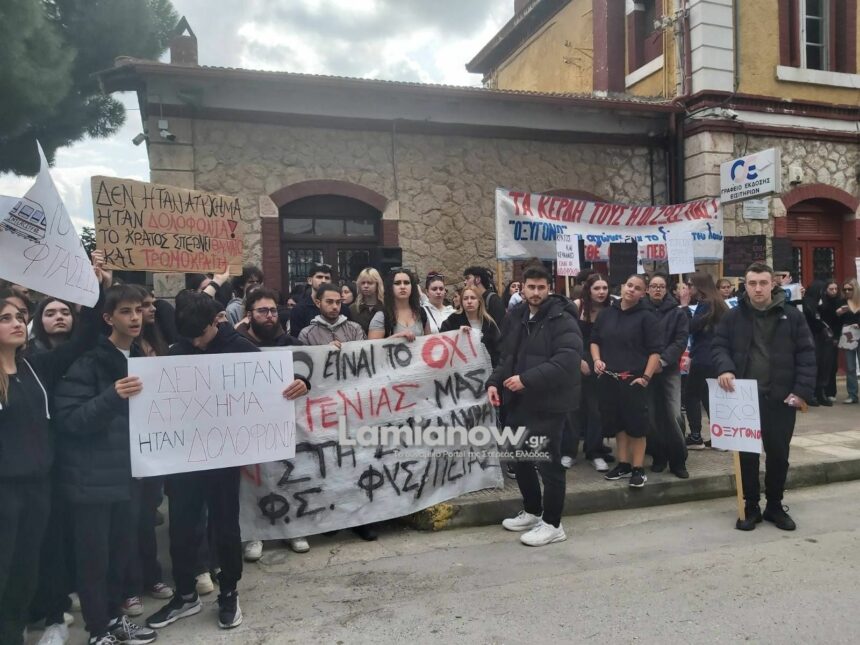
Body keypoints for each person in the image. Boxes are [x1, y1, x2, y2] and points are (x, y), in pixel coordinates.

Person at [147, 292, 309, 631]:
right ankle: (185, 593)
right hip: (184, 459)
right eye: (189, 336)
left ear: (216, 321)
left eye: (200, 335)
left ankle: (229, 591)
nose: (195, 342)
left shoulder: (240, 349)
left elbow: (278, 377)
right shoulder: (177, 351)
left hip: (223, 460)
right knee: (181, 526)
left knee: (225, 525)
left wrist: (301, 382)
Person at [53, 285, 157, 645]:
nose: (134, 318)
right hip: (92, 480)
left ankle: (114, 620)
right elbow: (70, 420)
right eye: (125, 311)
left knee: (120, 555)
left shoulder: (142, 358)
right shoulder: (89, 362)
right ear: (108, 318)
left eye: (138, 310)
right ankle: (98, 631)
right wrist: (112, 396)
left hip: (130, 475)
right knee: (94, 560)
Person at [712, 263, 816, 531]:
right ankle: (751, 506)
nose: (757, 288)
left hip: (781, 398)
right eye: (752, 283)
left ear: (772, 284)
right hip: (744, 399)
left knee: (779, 455)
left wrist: (801, 392)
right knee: (747, 456)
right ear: (745, 286)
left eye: (762, 283)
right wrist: (725, 368)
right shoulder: (733, 317)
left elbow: (806, 354)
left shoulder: (792, 316)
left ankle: (775, 506)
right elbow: (719, 346)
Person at [488, 264, 582, 547]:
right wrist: (494, 382)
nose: (536, 292)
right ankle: (532, 510)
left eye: (541, 287)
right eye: (531, 287)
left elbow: (566, 360)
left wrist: (526, 380)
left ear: (549, 288)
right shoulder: (516, 315)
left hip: (549, 403)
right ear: (523, 288)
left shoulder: (562, 318)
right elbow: (508, 356)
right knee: (521, 457)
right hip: (518, 401)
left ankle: (553, 524)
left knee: (548, 463)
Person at [119, 288, 174, 620]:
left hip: (155, 444)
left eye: (148, 307)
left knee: (146, 516)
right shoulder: (114, 352)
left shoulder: (158, 342)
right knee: (127, 519)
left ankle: (151, 575)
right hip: (125, 446)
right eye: (137, 308)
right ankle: (128, 587)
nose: (144, 313)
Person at [591, 275, 663, 488]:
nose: (631, 290)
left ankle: (638, 468)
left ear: (643, 293)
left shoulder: (647, 317)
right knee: (618, 424)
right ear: (622, 287)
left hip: (634, 379)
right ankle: (623, 464)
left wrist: (646, 377)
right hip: (609, 379)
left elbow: (655, 351)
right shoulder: (606, 314)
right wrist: (596, 360)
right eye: (629, 285)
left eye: (637, 288)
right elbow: (595, 341)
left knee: (636, 426)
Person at [644, 274, 690, 479]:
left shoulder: (677, 313)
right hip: (645, 369)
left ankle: (678, 460)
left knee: (673, 414)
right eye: (653, 286)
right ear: (647, 289)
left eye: (661, 286)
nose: (657, 289)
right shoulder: (640, 310)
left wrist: (662, 361)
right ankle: (658, 456)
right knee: (651, 415)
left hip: (668, 368)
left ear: (666, 289)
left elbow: (680, 340)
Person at [569, 274, 615, 472]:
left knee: (596, 410)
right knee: (573, 408)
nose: (601, 292)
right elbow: (567, 336)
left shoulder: (612, 309)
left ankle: (595, 451)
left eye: (604, 288)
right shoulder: (576, 306)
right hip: (576, 361)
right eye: (597, 288)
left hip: (601, 363)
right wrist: (578, 360)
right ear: (588, 290)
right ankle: (568, 451)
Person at [684, 273, 729, 448]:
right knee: (708, 396)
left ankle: (696, 436)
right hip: (714, 357)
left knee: (691, 395)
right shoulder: (718, 303)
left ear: (699, 286)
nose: (688, 289)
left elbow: (691, 327)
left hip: (704, 358)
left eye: (690, 285)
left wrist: (684, 306)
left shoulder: (706, 304)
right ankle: (721, 437)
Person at [439, 285, 500, 366]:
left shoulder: (489, 323)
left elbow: (498, 350)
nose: (469, 301)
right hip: (460, 370)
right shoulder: (452, 321)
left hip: (487, 370)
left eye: (473, 298)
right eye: (465, 298)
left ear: (479, 301)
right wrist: (457, 334)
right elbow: (442, 345)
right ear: (461, 302)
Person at [367, 269, 430, 341]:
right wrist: (397, 337)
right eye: (397, 283)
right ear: (390, 287)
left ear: (412, 287)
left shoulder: (421, 313)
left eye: (406, 283)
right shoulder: (382, 316)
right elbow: (371, 346)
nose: (402, 286)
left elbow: (430, 342)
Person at [299, 284, 366, 347]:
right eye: (329, 302)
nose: (335, 307)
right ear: (318, 303)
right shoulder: (306, 335)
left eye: (338, 302)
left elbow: (363, 352)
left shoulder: (355, 329)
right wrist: (327, 350)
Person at [802, 280, 835, 407]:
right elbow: (811, 319)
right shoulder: (807, 302)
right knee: (813, 365)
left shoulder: (821, 302)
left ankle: (820, 392)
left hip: (822, 339)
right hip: (811, 337)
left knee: (824, 365)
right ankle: (811, 394)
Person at [289, 263, 333, 338]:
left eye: (327, 278)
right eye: (319, 277)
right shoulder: (299, 310)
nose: (323, 281)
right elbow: (297, 339)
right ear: (310, 280)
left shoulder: (340, 308)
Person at [837, 278, 860, 404]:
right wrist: (839, 313)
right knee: (850, 367)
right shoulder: (842, 302)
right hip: (848, 335)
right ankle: (852, 394)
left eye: (849, 289)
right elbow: (837, 321)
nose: (846, 291)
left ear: (855, 289)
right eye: (844, 289)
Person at [821, 280, 843, 401]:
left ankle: (831, 391)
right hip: (823, 337)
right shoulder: (822, 302)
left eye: (835, 289)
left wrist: (837, 337)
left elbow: (840, 323)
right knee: (824, 364)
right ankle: (822, 390)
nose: (834, 291)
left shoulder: (840, 301)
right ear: (826, 290)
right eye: (831, 289)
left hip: (835, 336)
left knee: (833, 365)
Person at [349, 268, 384, 335]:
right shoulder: (353, 309)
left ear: (377, 284)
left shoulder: (386, 307)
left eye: (370, 283)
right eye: (363, 283)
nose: (365, 286)